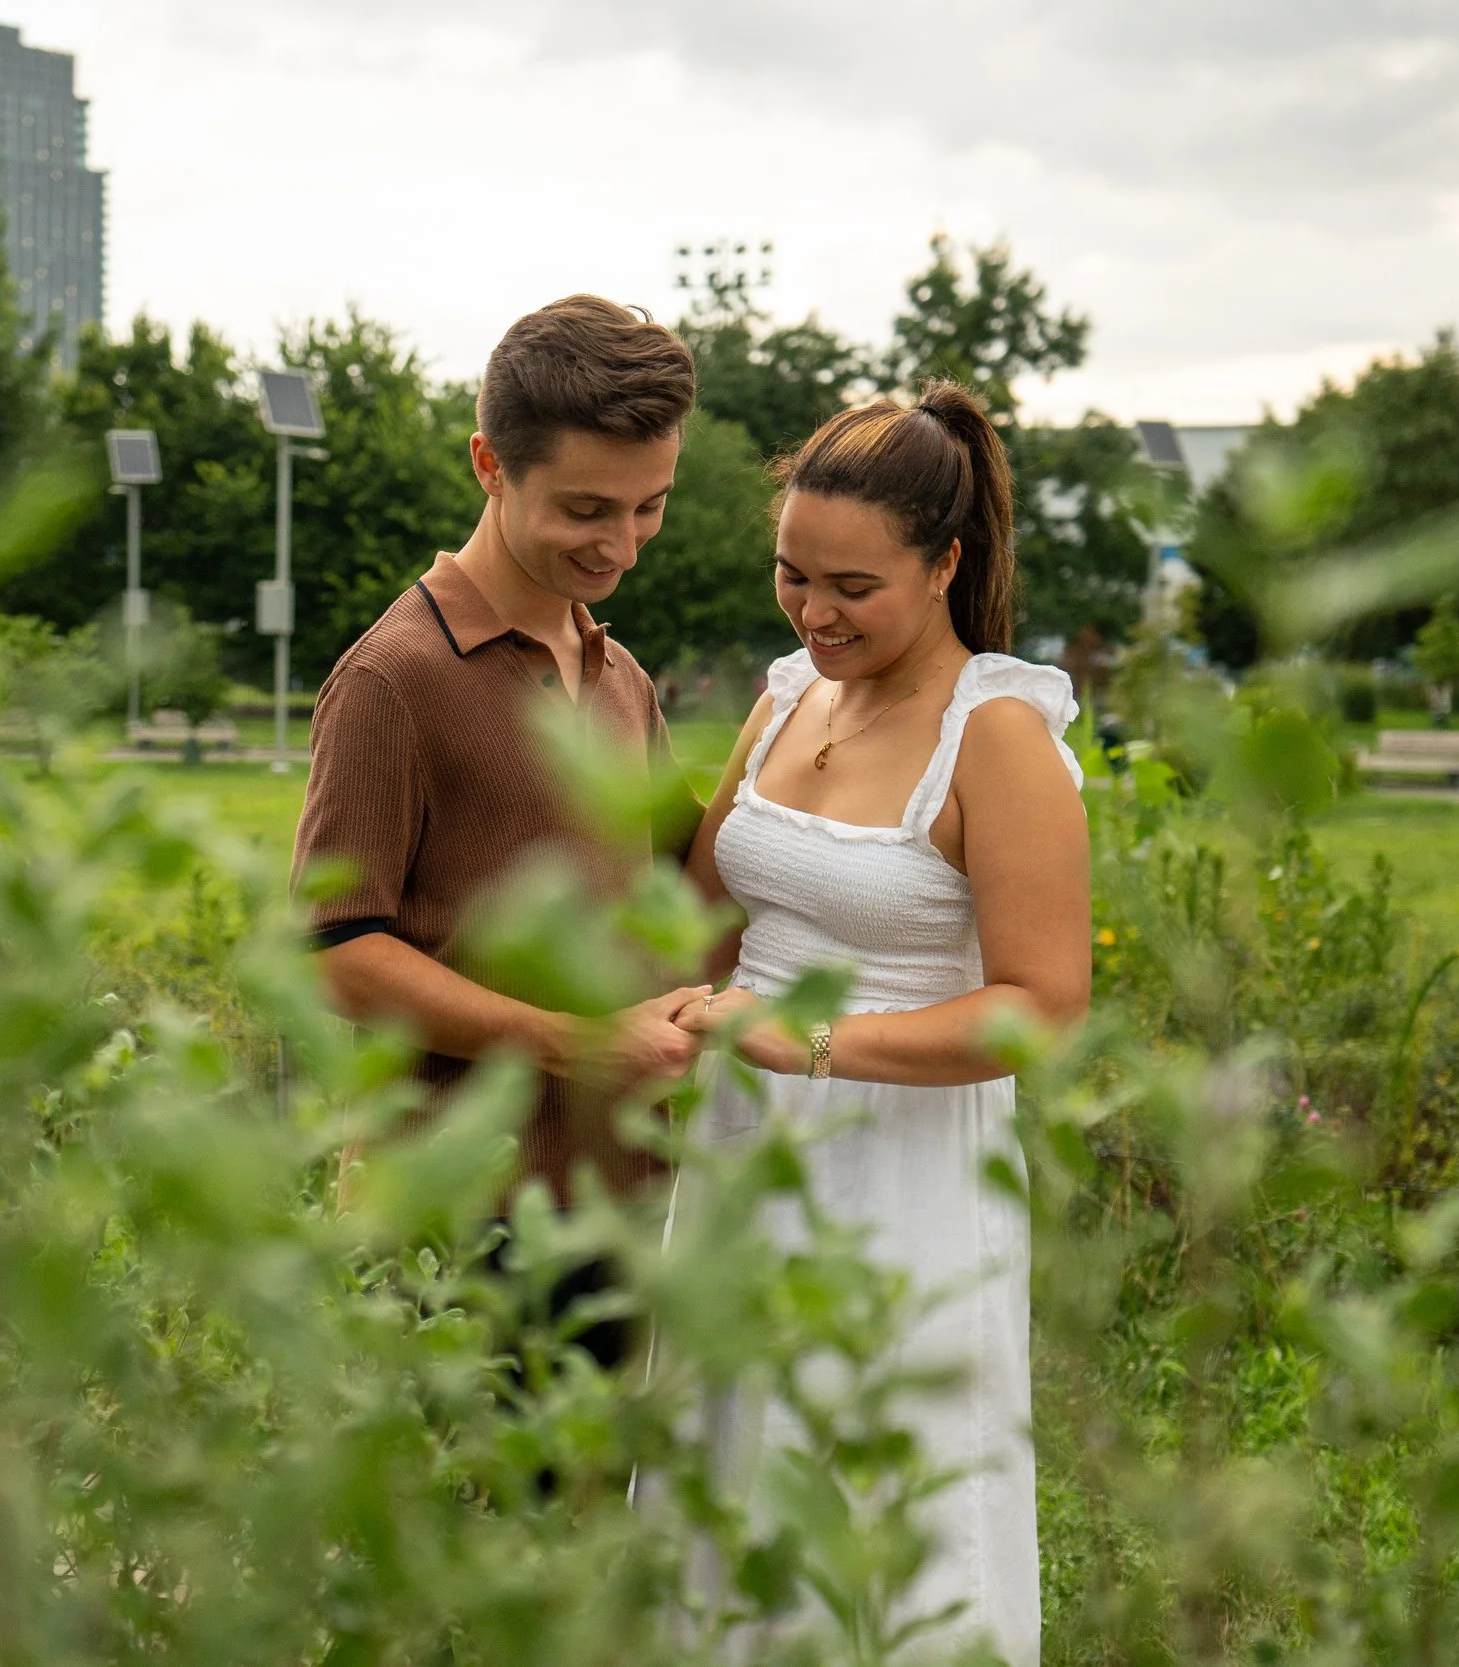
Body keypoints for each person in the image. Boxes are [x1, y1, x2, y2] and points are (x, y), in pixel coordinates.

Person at [670, 382, 1092, 1666]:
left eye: (852, 586)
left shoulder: (998, 735)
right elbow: (699, 904)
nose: (813, 611)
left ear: (947, 561)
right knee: (730, 1458)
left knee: (877, 1480)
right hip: (746, 1142)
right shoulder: (786, 693)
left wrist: (803, 1041)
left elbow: (1041, 1009)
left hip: (902, 1164)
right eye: (792, 574)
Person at [292, 295, 709, 1368]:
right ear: (488, 461)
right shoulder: (392, 679)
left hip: (622, 1204)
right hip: (457, 1214)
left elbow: (687, 898)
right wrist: (580, 1042)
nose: (621, 544)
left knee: (601, 1524)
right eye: (585, 509)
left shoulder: (620, 675)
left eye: (650, 506)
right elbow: (338, 954)